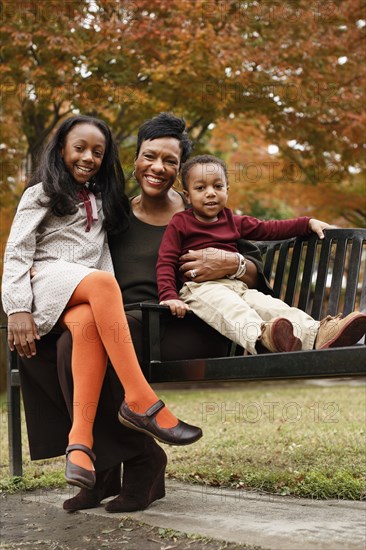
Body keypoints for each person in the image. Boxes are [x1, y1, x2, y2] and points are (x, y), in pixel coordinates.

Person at [15, 113, 269, 513]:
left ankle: (141, 463)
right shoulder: (112, 214)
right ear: (135, 160)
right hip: (120, 322)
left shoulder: (199, 211)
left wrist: (234, 264)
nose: (158, 168)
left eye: (170, 161)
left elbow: (254, 269)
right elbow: (71, 249)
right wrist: (42, 273)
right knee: (52, 346)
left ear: (180, 170)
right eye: (150, 156)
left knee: (78, 345)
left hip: (183, 323)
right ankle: (103, 470)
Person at [1, 115, 203, 495]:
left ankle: (81, 446)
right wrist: (16, 307)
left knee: (88, 329)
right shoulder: (42, 192)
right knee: (100, 284)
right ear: (61, 149)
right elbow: (17, 251)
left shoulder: (103, 202)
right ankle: (141, 400)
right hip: (46, 278)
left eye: (98, 152)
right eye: (79, 148)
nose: (88, 157)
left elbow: (101, 257)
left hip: (83, 289)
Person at [157, 154, 366, 354]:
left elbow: (269, 228)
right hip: (200, 288)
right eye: (201, 188)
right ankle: (264, 337)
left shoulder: (232, 220)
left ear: (227, 190)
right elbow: (166, 260)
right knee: (233, 309)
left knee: (272, 306)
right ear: (187, 195)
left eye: (218, 186)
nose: (210, 193)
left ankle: (319, 333)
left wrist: (307, 223)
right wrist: (169, 296)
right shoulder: (180, 223)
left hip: (237, 285)